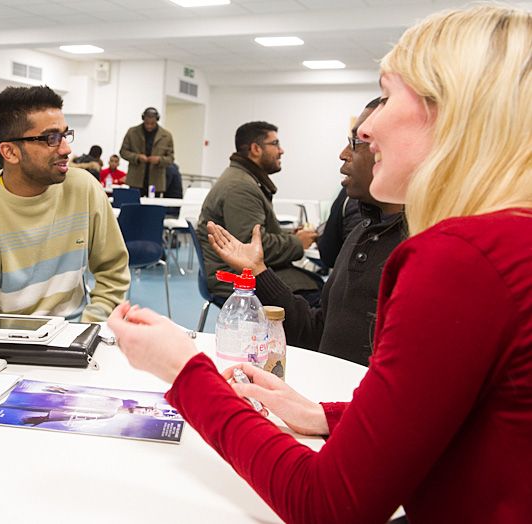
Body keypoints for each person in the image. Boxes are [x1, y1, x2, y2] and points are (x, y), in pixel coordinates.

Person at [108, 4, 532, 522]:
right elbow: (473, 417)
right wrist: (324, 414)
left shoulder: (460, 258)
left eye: (387, 94)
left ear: (451, 111)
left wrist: (184, 371)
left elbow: (326, 505)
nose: (366, 128)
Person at [206, 97, 406, 366]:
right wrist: (259, 270)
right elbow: (317, 332)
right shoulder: (363, 232)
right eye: (274, 143)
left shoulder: (421, 250)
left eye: (355, 143)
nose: (343, 154)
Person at [0, 85, 129, 322]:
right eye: (51, 138)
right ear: (10, 152)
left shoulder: (84, 189)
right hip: (9, 349)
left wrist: (89, 327)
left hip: (77, 335)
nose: (66, 148)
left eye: (65, 135)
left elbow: (113, 272)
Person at [197, 121, 320, 301]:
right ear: (255, 149)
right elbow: (251, 248)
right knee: (319, 301)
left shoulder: (243, 179)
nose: (281, 150)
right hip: (235, 278)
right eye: (275, 144)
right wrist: (297, 243)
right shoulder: (240, 187)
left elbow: (251, 234)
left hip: (236, 272)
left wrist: (289, 236)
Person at [120, 107, 174, 197]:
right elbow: (123, 152)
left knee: (152, 208)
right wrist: (137, 157)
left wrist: (159, 160)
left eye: (152, 123)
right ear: (143, 119)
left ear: (157, 120)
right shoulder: (132, 132)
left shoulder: (166, 136)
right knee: (134, 208)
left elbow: (171, 158)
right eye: (147, 123)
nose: (149, 126)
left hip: (156, 181)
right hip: (135, 180)